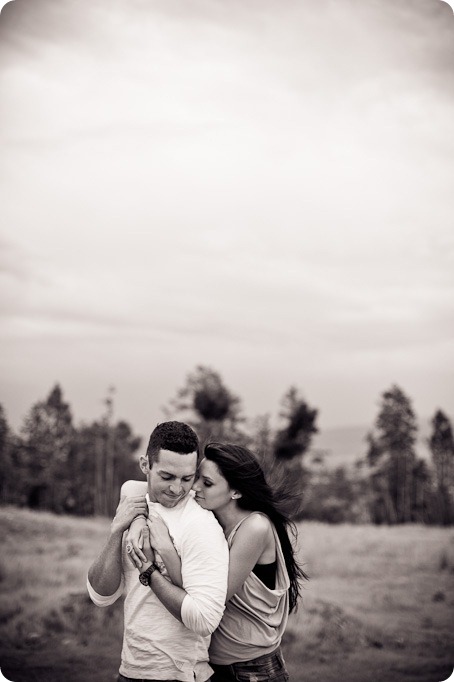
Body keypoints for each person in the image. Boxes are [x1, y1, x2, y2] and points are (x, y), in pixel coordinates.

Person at [126, 442, 308, 682]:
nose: (194, 488)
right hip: (214, 666)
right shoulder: (212, 516)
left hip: (252, 669)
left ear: (236, 492)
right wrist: (138, 517)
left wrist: (166, 550)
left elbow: (208, 598)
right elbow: (137, 487)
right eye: (197, 478)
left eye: (207, 483)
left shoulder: (255, 527)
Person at [87, 421, 229, 682]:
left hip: (181, 675)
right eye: (167, 477)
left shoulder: (200, 524)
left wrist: (149, 571)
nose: (177, 489)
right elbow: (101, 596)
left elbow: (205, 620)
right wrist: (117, 528)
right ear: (145, 465)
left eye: (187, 479)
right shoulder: (133, 501)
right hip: (130, 670)